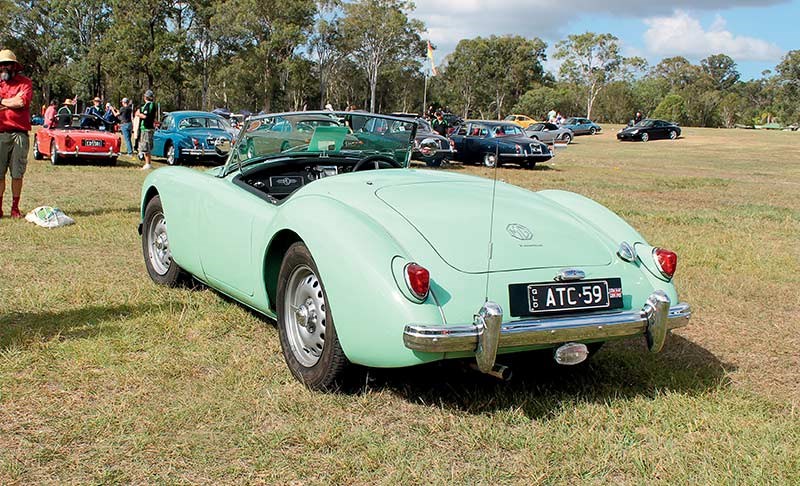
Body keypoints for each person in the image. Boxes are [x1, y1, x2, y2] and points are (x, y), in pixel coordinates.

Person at [0, 49, 33, 219]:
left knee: (17, 173)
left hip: (19, 134)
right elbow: (16, 102)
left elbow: (21, 102)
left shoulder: (25, 83)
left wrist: (2, 102)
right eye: (1, 65)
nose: (4, 68)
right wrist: (10, 103)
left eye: (7, 64)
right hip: (1, 133)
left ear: (15, 66)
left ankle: (15, 208)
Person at [135, 89, 156, 170]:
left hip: (146, 128)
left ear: (145, 97)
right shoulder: (149, 105)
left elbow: (145, 116)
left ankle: (147, 163)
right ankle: (148, 163)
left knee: (145, 146)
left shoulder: (149, 105)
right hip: (147, 128)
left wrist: (138, 114)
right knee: (146, 145)